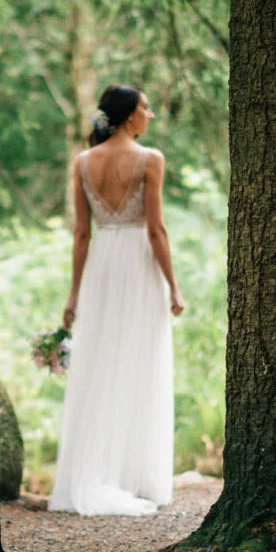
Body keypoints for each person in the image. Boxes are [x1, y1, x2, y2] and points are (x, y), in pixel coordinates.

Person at [49, 84, 186, 516]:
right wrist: (174, 286)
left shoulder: (84, 162)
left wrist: (74, 293)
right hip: (141, 266)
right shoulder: (150, 159)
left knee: (100, 364)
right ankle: (138, 478)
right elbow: (155, 229)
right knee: (142, 362)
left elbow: (82, 234)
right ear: (129, 116)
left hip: (102, 269)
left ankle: (95, 471)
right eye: (146, 109)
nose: (151, 116)